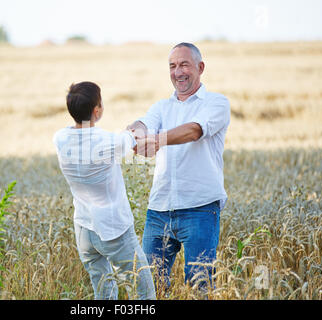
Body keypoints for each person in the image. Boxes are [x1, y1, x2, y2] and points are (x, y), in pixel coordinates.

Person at [127, 42, 231, 292]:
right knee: (149, 286)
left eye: (184, 64)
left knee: (199, 287)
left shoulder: (216, 103)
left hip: (200, 208)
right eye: (172, 66)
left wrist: (155, 140)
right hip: (159, 210)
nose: (178, 72)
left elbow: (194, 131)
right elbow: (143, 124)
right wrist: (134, 134)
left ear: (200, 67)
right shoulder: (162, 107)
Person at [53, 81, 156, 300]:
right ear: (97, 111)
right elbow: (133, 135)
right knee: (144, 291)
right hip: (113, 230)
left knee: (103, 290)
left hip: (83, 228)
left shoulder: (60, 138)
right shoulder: (109, 142)